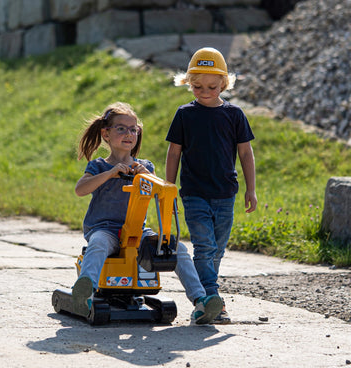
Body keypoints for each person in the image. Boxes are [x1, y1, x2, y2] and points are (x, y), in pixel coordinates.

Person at [72, 101, 223, 325]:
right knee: (98, 244)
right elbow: (80, 189)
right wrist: (112, 173)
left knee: (177, 248)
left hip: (138, 231)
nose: (128, 134)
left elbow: (160, 191)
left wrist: (148, 178)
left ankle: (201, 301)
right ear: (106, 133)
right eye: (121, 128)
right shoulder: (99, 167)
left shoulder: (146, 167)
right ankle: (87, 289)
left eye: (133, 129)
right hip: (105, 229)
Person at [165, 47, 257, 324]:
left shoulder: (234, 114)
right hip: (194, 193)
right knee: (204, 247)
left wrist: (251, 189)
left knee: (217, 248)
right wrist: (168, 190)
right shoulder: (185, 114)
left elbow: (245, 153)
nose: (204, 91)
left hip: (225, 193)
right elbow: (173, 153)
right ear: (188, 82)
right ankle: (212, 296)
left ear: (224, 84)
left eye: (212, 86)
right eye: (197, 86)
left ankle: (205, 303)